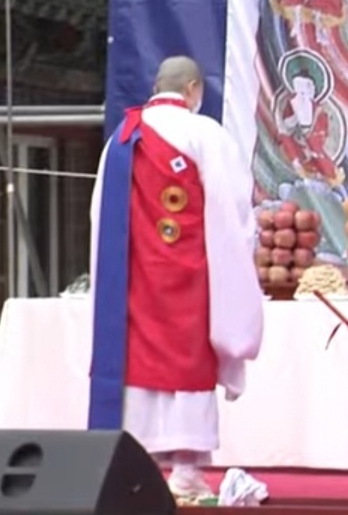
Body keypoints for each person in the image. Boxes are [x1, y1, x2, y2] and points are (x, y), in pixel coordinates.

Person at [88, 56, 264, 499]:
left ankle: (137, 468)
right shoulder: (202, 133)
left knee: (139, 367)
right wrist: (240, 255)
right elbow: (230, 207)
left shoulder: (121, 139)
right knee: (187, 363)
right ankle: (185, 470)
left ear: (156, 87)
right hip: (189, 276)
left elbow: (99, 215)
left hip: (134, 278)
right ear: (192, 89)